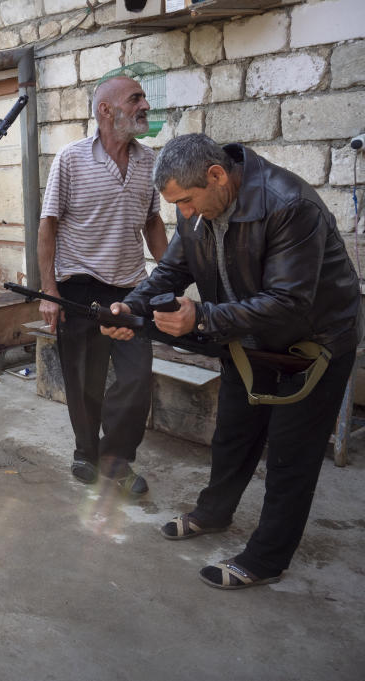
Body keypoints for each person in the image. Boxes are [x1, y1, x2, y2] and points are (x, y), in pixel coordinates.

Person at [103, 133, 362, 589]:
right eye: (175, 205)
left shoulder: (289, 204)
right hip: (249, 339)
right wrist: (132, 307)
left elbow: (289, 301)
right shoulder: (197, 211)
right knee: (234, 433)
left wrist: (201, 316)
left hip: (313, 347)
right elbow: (171, 271)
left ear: (217, 176)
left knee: (289, 455)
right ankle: (213, 513)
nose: (182, 213)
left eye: (186, 200)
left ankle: (267, 558)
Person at [37, 75, 167, 496]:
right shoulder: (71, 159)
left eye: (144, 97)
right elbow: (48, 227)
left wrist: (173, 275)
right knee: (84, 378)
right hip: (79, 286)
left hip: (132, 289)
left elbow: (152, 222)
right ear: (105, 110)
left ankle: (115, 458)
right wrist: (50, 293)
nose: (144, 105)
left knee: (136, 377)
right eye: (135, 98)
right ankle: (85, 450)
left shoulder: (149, 161)